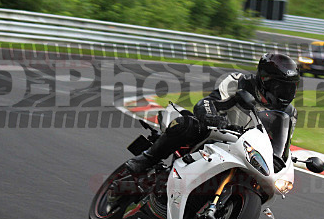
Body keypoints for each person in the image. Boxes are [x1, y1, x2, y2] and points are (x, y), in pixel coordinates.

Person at [124, 53, 300, 176]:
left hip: (244, 151)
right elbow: (207, 103)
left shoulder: (289, 113)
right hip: (215, 134)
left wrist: (281, 160)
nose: (285, 92)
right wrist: (213, 118)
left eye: (289, 88)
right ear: (265, 79)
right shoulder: (240, 82)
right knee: (188, 124)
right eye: (280, 87)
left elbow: (282, 144)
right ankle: (147, 158)